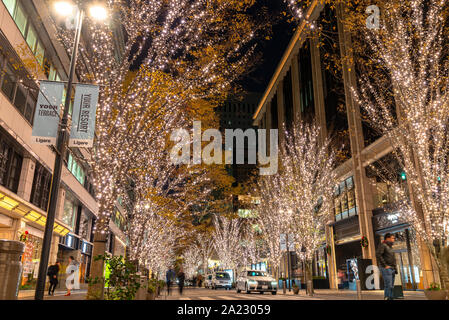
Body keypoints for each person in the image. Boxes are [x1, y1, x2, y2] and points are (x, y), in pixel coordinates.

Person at [376, 233, 397, 300]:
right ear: (388, 238)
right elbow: (378, 255)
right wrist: (385, 265)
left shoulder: (390, 247)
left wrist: (395, 268)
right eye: (392, 238)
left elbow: (392, 258)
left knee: (391, 286)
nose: (394, 239)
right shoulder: (383, 245)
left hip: (392, 268)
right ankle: (387, 297)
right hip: (386, 268)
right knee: (388, 285)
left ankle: (391, 297)